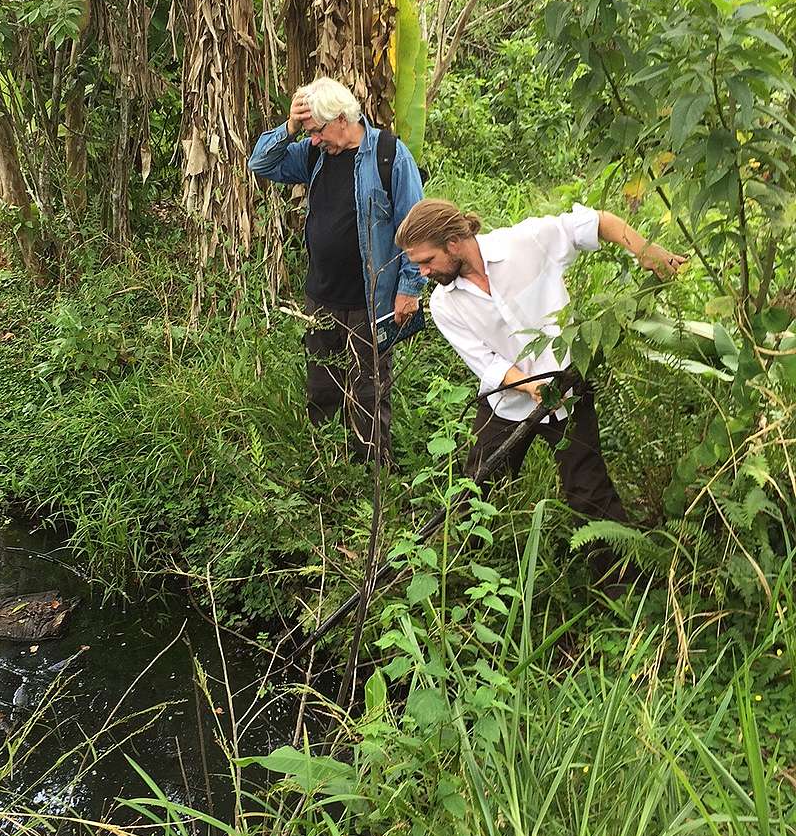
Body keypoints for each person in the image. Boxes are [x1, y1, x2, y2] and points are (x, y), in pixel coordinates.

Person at [394, 199, 686, 565]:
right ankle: (464, 572)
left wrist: (645, 250)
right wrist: (531, 386)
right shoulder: (444, 305)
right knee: (478, 486)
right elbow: (487, 363)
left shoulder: (525, 242)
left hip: (567, 389)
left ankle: (619, 582)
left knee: (588, 489)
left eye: (426, 261)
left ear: (453, 243)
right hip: (506, 402)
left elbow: (596, 222)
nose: (422, 272)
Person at [248, 77, 426, 463]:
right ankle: (325, 467)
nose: (313, 140)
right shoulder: (315, 154)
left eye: (317, 130)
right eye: (308, 132)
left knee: (367, 391)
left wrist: (409, 289)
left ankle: (370, 474)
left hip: (370, 301)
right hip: (321, 297)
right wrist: (290, 127)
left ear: (343, 119)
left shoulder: (389, 156)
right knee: (322, 385)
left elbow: (416, 227)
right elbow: (261, 163)